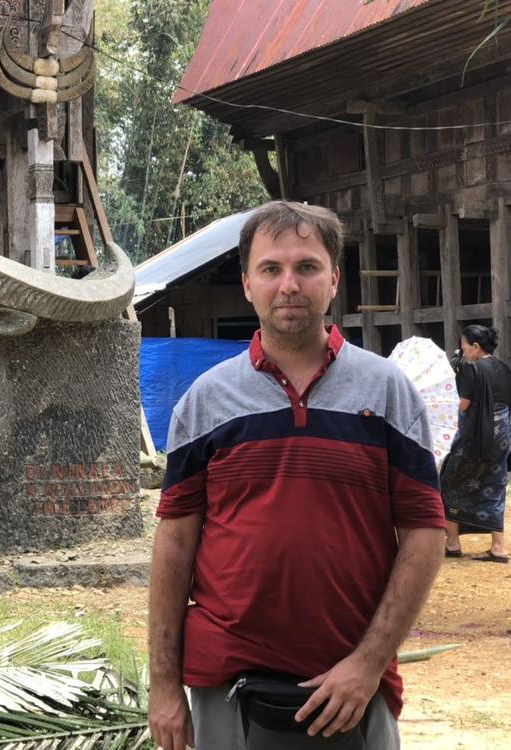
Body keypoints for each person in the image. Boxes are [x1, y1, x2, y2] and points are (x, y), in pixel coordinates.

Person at [148, 201, 445, 750]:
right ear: (247, 285)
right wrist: (164, 686)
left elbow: (425, 532)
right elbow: (175, 543)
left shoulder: (387, 391)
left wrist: (368, 663)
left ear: (333, 280)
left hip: (355, 685)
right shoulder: (205, 401)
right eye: (271, 268)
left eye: (307, 267)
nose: (289, 285)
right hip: (227, 681)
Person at [441, 325, 511, 563]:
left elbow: (463, 404)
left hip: (475, 436)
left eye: (464, 347)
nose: (462, 352)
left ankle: (452, 542)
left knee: (450, 481)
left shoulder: (471, 368)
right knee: (495, 484)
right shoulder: (503, 368)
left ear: (476, 347)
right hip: (501, 437)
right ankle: (499, 547)